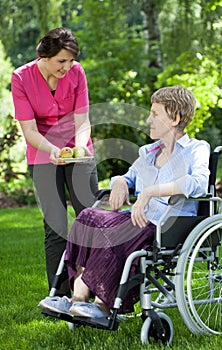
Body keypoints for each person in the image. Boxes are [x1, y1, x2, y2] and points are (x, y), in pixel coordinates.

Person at [39, 86, 210, 317]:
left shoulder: (196, 149)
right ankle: (77, 300)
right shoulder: (148, 152)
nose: (148, 119)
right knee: (88, 217)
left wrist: (152, 191)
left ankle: (101, 305)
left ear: (175, 118)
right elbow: (128, 178)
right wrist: (119, 181)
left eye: (155, 114)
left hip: (167, 227)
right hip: (136, 221)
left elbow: (199, 182)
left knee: (115, 230)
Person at [11, 27, 98, 297]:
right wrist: (53, 150)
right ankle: (59, 295)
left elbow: (82, 121)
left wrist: (81, 148)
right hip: (42, 152)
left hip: (78, 149)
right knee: (55, 227)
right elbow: (30, 132)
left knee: (92, 221)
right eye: (62, 61)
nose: (67, 67)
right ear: (44, 56)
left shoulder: (76, 72)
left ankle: (97, 290)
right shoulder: (21, 78)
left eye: (71, 60)